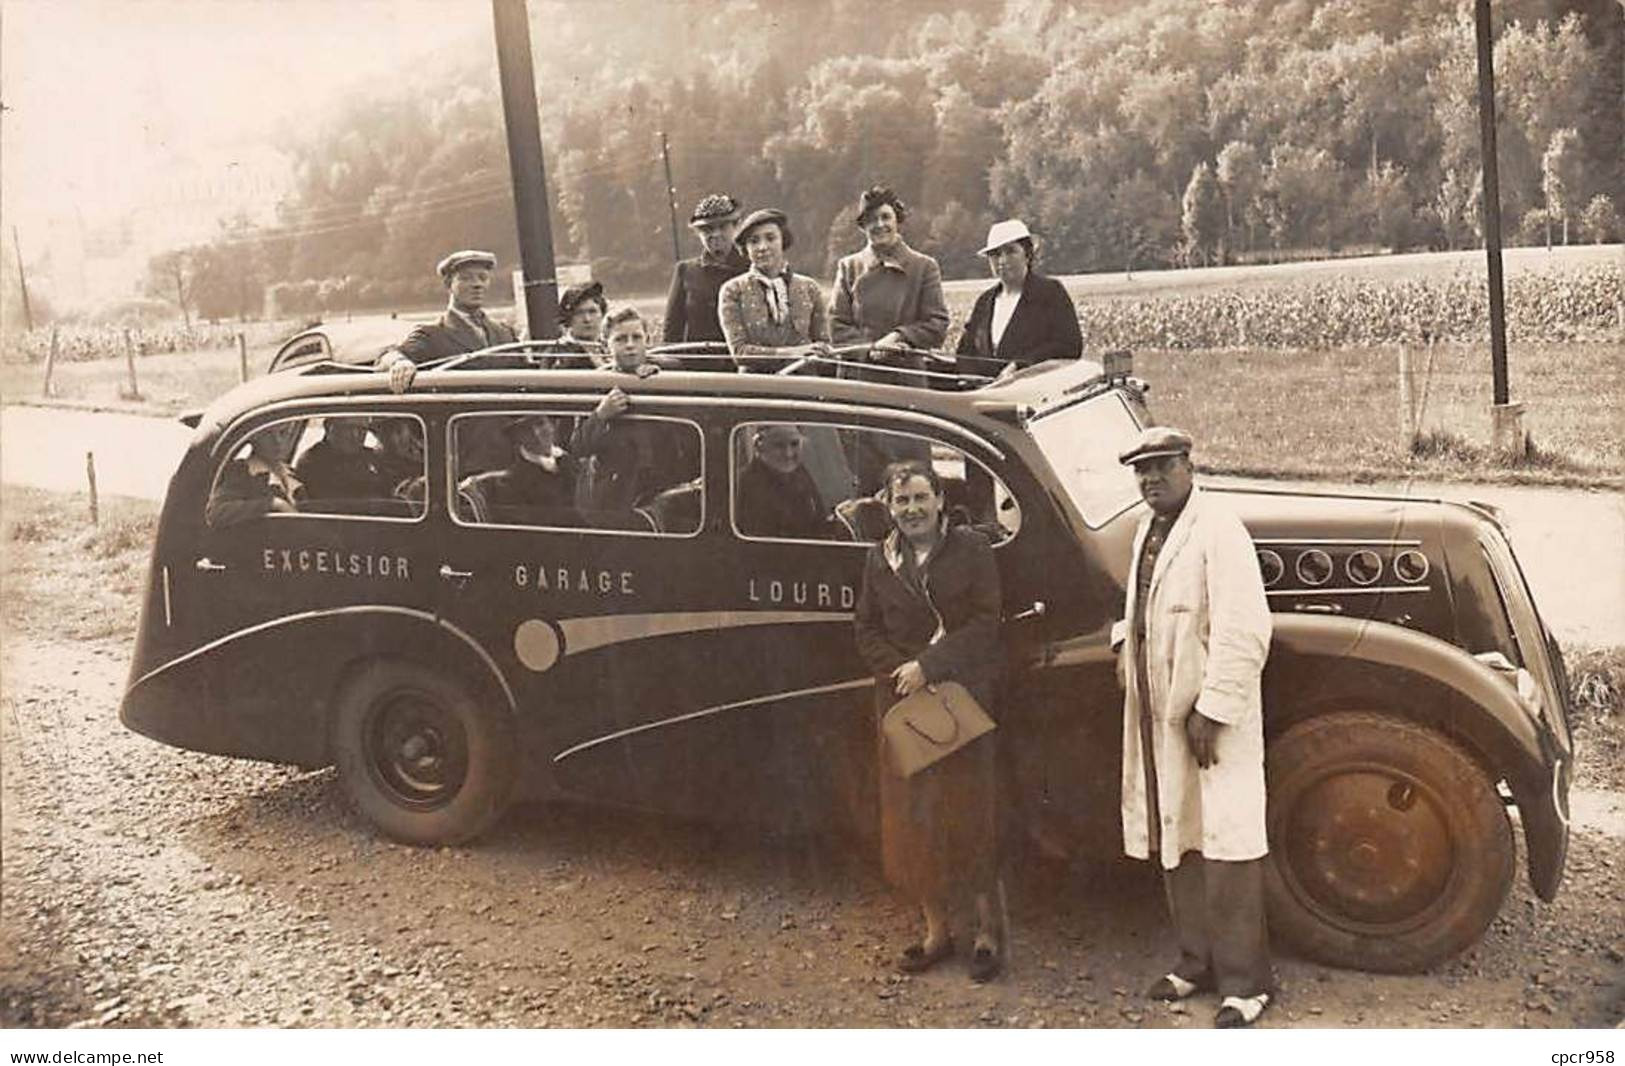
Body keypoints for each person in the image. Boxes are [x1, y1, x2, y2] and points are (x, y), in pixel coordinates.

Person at [1114, 426, 1275, 1029]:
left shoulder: (1219, 530)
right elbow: (1147, 605)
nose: (1151, 478)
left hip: (1208, 718)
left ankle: (1246, 983)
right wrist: (1123, 644)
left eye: (1162, 466)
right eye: (1142, 470)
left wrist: (1214, 708)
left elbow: (1245, 628)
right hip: (1159, 711)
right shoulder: (1147, 532)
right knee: (1177, 835)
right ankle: (1195, 960)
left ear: (1187, 465)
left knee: (1227, 842)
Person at [853, 461, 1004, 983]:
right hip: (903, 704)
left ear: (940, 500)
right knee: (915, 819)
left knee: (969, 812)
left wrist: (930, 667)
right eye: (902, 502)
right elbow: (865, 627)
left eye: (921, 498)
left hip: (958, 697)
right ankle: (937, 931)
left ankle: (987, 932)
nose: (912, 510)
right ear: (889, 507)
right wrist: (899, 673)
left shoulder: (972, 550)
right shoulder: (880, 558)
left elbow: (986, 622)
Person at [570, 308, 694, 530]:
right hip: (616, 495)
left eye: (636, 337)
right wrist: (601, 415)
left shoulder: (666, 372)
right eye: (620, 339)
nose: (630, 345)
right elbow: (578, 446)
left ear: (647, 340)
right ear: (606, 344)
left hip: (663, 487)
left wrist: (657, 379)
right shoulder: (595, 384)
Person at [831, 185, 949, 386]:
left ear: (897, 220)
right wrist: (870, 348)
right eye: (871, 219)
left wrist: (898, 337)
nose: (879, 225)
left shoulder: (924, 267)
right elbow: (836, 325)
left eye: (886, 217)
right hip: (858, 378)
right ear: (862, 226)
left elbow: (936, 324)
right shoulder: (849, 266)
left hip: (905, 379)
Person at [955, 220, 1082, 379]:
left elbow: (1069, 345)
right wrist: (973, 379)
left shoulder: (1050, 293)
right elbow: (965, 352)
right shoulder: (985, 301)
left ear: (1027, 255)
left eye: (1010, 251)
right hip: (985, 395)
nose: (1002, 261)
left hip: (1036, 392)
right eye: (995, 254)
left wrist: (1021, 365)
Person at [378, 250, 519, 393]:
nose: (477, 284)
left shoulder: (505, 333)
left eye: (483, 278)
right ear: (448, 284)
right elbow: (388, 356)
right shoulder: (432, 334)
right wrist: (400, 363)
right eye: (466, 278)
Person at [718, 208, 831, 373]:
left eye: (771, 238)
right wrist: (792, 353)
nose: (762, 247)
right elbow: (740, 353)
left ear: (783, 241)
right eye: (754, 241)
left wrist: (824, 352)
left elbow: (823, 345)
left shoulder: (810, 288)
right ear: (745, 248)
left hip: (805, 388)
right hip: (755, 390)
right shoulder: (732, 290)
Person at [662, 193, 748, 351]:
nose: (715, 234)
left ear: (736, 227)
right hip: (699, 366)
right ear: (698, 233)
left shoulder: (750, 269)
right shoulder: (686, 271)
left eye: (722, 227)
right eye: (707, 229)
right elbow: (671, 333)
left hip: (745, 366)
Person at [458, 414, 578, 527]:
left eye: (541, 423)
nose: (536, 433)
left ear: (552, 427)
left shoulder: (568, 462)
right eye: (526, 429)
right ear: (518, 438)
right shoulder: (510, 484)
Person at [735, 424, 833, 540]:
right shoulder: (747, 484)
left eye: (794, 444)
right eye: (779, 446)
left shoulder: (799, 473)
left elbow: (818, 520)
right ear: (759, 447)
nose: (788, 453)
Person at [205, 420, 305, 527]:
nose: (278, 441)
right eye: (268, 435)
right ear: (256, 437)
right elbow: (216, 513)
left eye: (283, 433)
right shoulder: (242, 471)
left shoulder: (287, 472)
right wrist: (273, 504)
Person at [540, 281, 609, 370]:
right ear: (569, 318)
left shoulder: (613, 345)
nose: (587, 319)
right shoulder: (555, 354)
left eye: (592, 311)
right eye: (579, 313)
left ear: (602, 314)